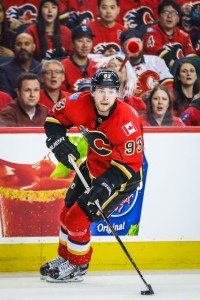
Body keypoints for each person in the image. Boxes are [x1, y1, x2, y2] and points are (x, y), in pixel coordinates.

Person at [40, 69, 144, 282]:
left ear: (118, 93)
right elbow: (54, 119)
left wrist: (105, 185)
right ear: (92, 91)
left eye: (111, 91)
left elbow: (130, 164)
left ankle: (79, 266)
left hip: (122, 178)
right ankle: (65, 257)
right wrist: (58, 141)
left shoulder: (127, 122)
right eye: (101, 90)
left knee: (78, 217)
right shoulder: (78, 102)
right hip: (93, 165)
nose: (106, 96)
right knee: (66, 210)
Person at [120, 28, 174, 102]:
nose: (134, 47)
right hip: (130, 109)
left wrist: (156, 95)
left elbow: (170, 85)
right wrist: (139, 100)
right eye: (128, 44)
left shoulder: (156, 61)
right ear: (122, 48)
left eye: (137, 42)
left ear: (142, 43)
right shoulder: (118, 67)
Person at [143, 0, 197, 70]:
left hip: (181, 72)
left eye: (174, 13)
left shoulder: (184, 35)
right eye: (166, 12)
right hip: (156, 72)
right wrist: (178, 68)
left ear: (178, 19)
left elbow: (191, 56)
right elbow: (159, 53)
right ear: (159, 17)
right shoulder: (151, 32)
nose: (169, 16)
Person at [0, 33, 41, 99]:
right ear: (14, 48)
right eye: (19, 44)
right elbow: (6, 99)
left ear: (33, 47)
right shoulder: (4, 70)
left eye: (27, 44)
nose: (23, 47)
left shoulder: (40, 68)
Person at [61, 25, 97, 93]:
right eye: (80, 41)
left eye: (88, 41)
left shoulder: (96, 66)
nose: (85, 45)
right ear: (73, 43)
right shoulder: (63, 67)